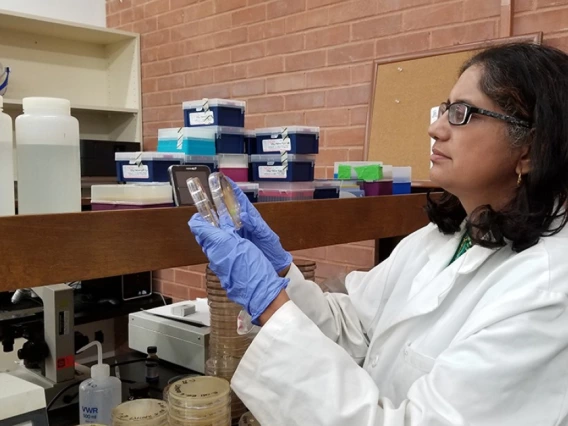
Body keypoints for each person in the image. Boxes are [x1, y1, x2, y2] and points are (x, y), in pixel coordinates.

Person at [189, 42, 568, 425]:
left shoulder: (548, 289)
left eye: (461, 114)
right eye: (443, 110)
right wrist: (279, 272)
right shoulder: (440, 239)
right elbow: (354, 328)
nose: (434, 128)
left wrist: (271, 307)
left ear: (531, 149)